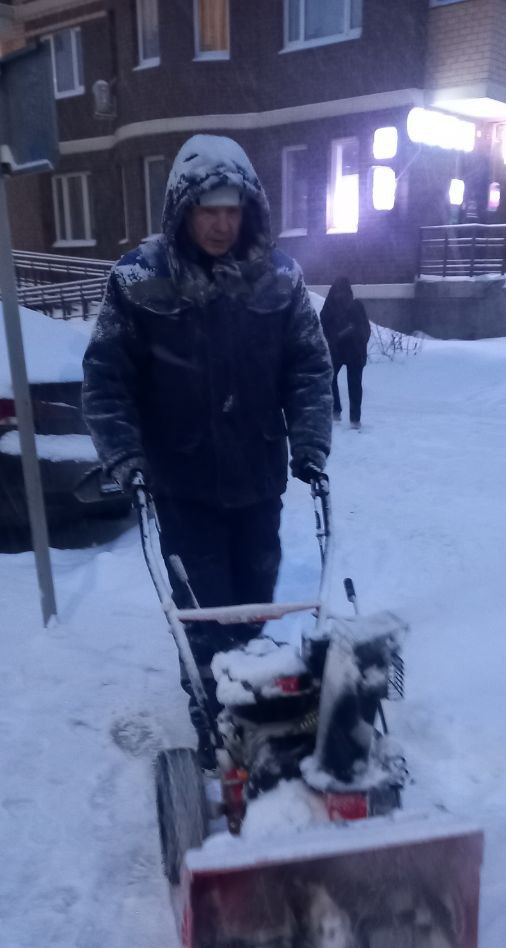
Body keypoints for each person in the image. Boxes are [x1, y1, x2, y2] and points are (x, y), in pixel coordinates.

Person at [83, 134, 333, 766]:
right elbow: (106, 379)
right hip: (180, 485)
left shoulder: (279, 279)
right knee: (204, 616)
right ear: (182, 210)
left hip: (258, 479)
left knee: (253, 607)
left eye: (232, 210)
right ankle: (216, 727)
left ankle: (254, 708)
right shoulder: (139, 281)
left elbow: (308, 366)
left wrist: (310, 443)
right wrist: (126, 458)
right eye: (208, 211)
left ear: (249, 210)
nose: (222, 225)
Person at [320, 277, 371, 428]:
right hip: (343, 350)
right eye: (338, 292)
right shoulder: (332, 308)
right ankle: (345, 415)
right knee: (334, 378)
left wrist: (354, 338)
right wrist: (336, 337)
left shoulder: (353, 307)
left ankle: (348, 416)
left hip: (352, 350)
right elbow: (325, 325)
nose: (340, 296)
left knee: (349, 382)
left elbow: (364, 329)